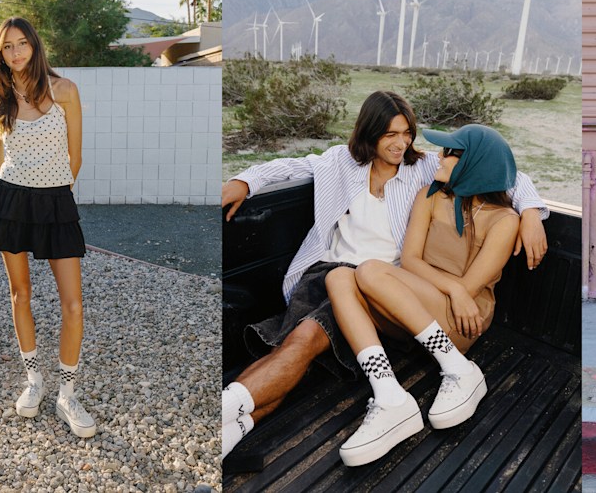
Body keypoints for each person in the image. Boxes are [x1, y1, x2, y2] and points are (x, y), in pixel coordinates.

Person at [218, 91, 548, 459]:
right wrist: (244, 180)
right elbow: (290, 166)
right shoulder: (339, 164)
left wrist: (532, 210)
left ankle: (218, 419)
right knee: (303, 334)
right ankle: (230, 428)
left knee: (303, 339)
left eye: (407, 133)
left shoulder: (422, 170)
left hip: (386, 284)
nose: (401, 143)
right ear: (369, 133)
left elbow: (501, 171)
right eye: (390, 134)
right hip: (330, 273)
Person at [328, 124, 520, 466]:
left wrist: (459, 290)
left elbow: (470, 290)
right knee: (340, 275)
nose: (440, 158)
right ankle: (389, 394)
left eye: (449, 153)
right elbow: (412, 261)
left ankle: (459, 368)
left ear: (474, 163)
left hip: (461, 318)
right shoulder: (431, 197)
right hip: (421, 310)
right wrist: (453, 286)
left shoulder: (504, 220)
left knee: (370, 269)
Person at [0, 17, 96, 438]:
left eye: (22, 43)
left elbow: (74, 159)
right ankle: (34, 382)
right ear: (0, 54)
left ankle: (67, 393)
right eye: (7, 47)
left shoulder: (64, 91)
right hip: (11, 201)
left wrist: (53, 193)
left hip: (56, 201)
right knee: (19, 293)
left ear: (35, 46)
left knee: (73, 304)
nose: (16, 52)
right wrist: (10, 196)